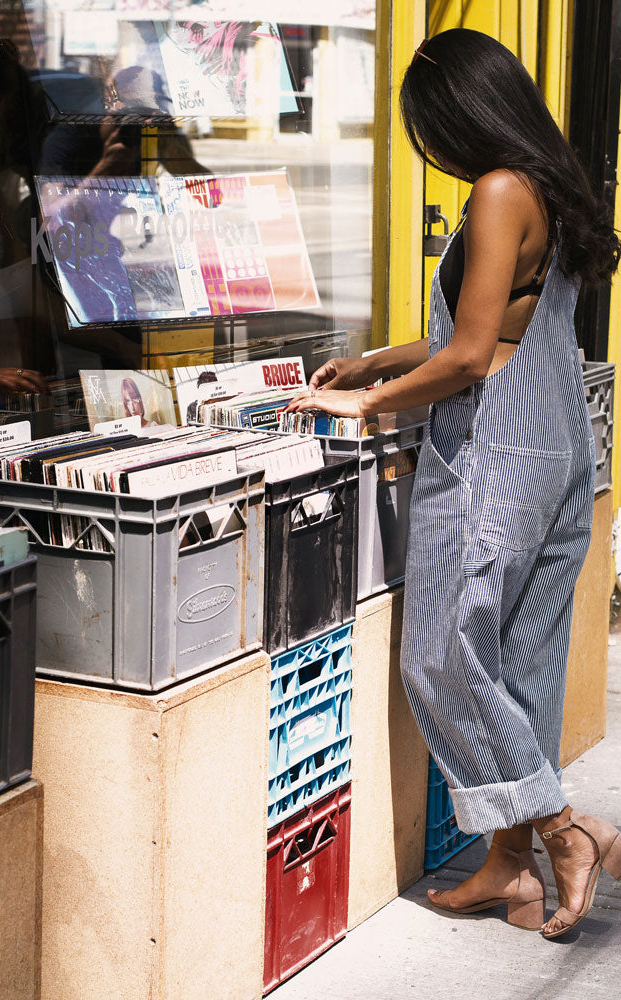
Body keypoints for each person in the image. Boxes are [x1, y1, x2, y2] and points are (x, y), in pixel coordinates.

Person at [286, 29, 621, 939]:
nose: (428, 146)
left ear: (454, 113)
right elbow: (491, 331)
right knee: (518, 669)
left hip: (493, 460)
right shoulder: (547, 187)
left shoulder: (498, 191)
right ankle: (509, 869)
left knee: (440, 655)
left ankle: (565, 830)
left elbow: (470, 359)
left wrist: (370, 404)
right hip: (554, 451)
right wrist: (378, 361)